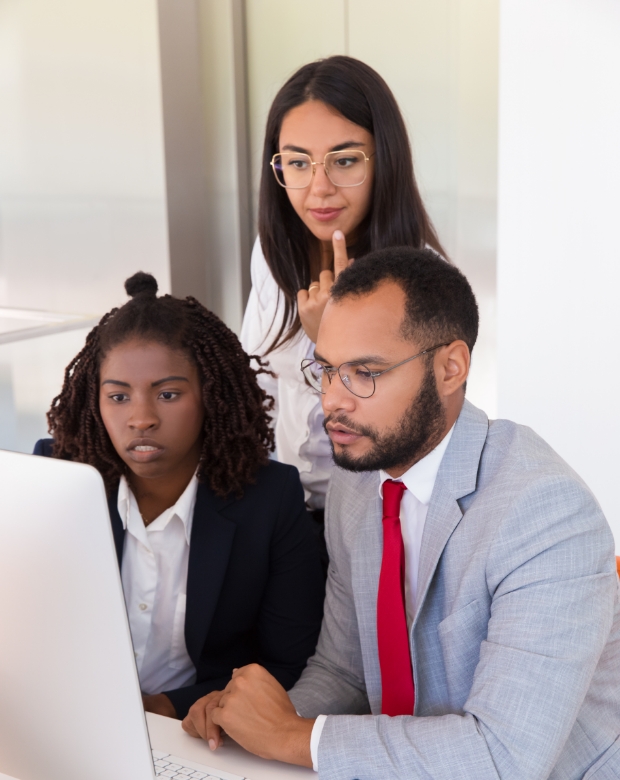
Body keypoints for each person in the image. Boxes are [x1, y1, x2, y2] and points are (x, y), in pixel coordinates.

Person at [183, 248, 620, 779]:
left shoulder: (544, 512)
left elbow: (503, 758)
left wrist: (294, 736)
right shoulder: (360, 477)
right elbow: (344, 671)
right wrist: (252, 721)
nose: (332, 402)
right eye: (325, 370)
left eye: (365, 372)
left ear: (450, 368)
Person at [33, 272, 325, 721]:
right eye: (118, 396)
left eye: (168, 394)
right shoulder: (57, 477)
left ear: (211, 396)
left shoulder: (269, 501)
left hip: (191, 734)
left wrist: (168, 708)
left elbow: (289, 663)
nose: (141, 418)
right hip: (60, 718)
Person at [240, 55, 446, 527]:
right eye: (297, 163)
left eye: (346, 160)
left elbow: (400, 442)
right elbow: (255, 386)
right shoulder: (274, 257)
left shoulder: (421, 282)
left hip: (369, 522)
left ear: (383, 160)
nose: (319, 189)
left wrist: (327, 343)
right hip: (277, 514)